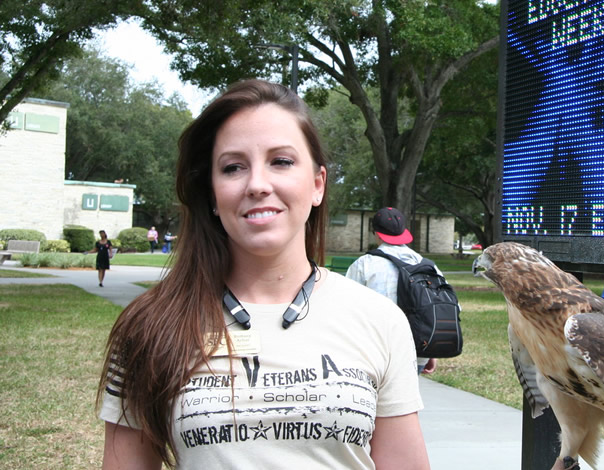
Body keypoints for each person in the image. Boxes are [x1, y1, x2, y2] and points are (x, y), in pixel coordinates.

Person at [97, 80, 429, 469]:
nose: (257, 184)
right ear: (213, 196)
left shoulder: (381, 319)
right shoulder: (149, 325)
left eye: (281, 162)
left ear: (317, 184)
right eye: (233, 167)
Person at [346, 207, 438, 375]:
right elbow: (436, 308)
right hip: (416, 351)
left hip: (373, 353)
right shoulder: (427, 265)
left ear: (377, 233)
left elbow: (346, 309)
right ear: (404, 231)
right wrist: (430, 352)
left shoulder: (364, 264)